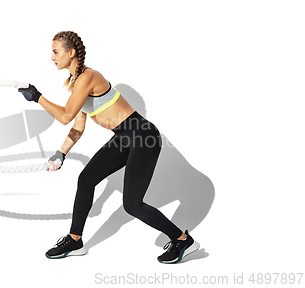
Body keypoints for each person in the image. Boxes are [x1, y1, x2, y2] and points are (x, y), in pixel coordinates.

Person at [18, 31, 199, 264]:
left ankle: (183, 240)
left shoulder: (89, 76)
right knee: (86, 179)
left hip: (143, 136)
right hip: (124, 136)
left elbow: (64, 116)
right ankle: (75, 240)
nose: (52, 57)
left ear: (70, 53)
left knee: (132, 205)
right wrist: (61, 153)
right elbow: (76, 127)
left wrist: (38, 98)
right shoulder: (78, 85)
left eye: (55, 52)